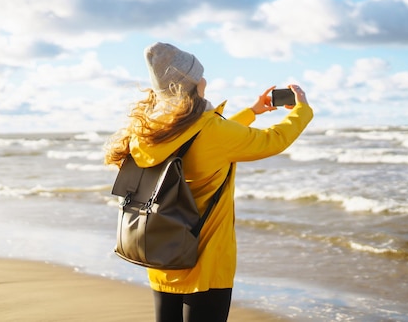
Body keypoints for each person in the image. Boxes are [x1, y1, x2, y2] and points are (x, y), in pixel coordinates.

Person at [104, 42, 313, 322]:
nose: (205, 79)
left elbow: (200, 140)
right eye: (199, 74)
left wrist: (252, 112)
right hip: (205, 256)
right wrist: (301, 111)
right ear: (190, 83)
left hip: (162, 250)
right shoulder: (211, 131)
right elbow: (271, 141)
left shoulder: (149, 131)